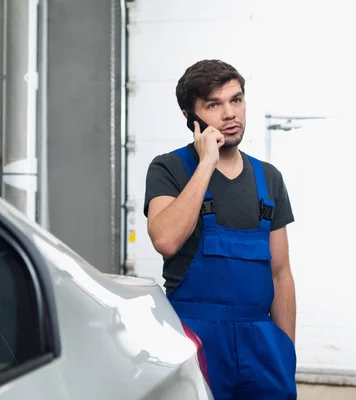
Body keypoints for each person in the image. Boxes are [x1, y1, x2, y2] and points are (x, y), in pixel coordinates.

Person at [144, 59, 297, 399]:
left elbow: (281, 274)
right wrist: (207, 163)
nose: (230, 113)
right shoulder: (169, 168)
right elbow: (166, 240)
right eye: (214, 104)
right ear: (190, 116)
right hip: (195, 341)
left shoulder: (268, 179)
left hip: (262, 344)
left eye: (236, 100)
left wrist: (285, 352)